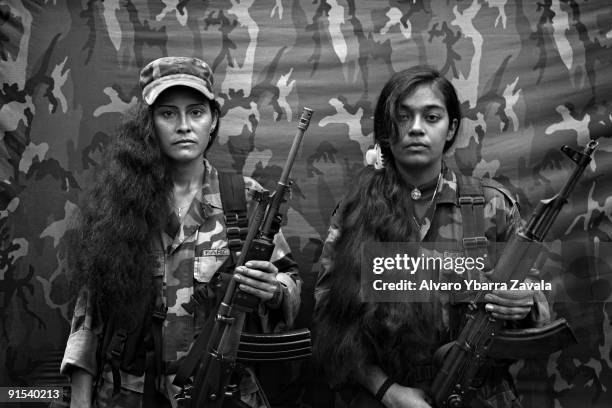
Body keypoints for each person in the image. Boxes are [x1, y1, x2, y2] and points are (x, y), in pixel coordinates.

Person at [61, 56, 301, 408]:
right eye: (168, 113)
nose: (184, 126)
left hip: (221, 392)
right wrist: (79, 401)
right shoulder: (119, 204)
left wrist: (275, 291)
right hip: (128, 393)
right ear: (149, 123)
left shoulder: (246, 200)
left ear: (214, 119)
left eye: (196, 112)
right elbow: (90, 315)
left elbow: (291, 282)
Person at [313, 66, 550, 408]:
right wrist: (388, 391)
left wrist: (527, 300)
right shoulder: (354, 212)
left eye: (432, 116)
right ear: (386, 129)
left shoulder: (491, 205)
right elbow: (328, 316)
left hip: (479, 395)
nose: (416, 129)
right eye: (403, 116)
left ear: (451, 127)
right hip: (385, 398)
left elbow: (538, 295)